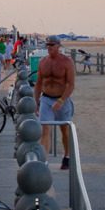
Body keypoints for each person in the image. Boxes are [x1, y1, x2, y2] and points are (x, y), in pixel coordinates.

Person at [34, 36, 76, 170]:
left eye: (52, 45)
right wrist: (36, 101)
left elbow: (71, 84)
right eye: (48, 45)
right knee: (45, 129)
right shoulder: (43, 62)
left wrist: (61, 100)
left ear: (58, 46)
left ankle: (67, 157)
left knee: (64, 130)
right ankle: (44, 160)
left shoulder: (67, 62)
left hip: (62, 99)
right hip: (46, 99)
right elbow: (38, 83)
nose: (49, 47)